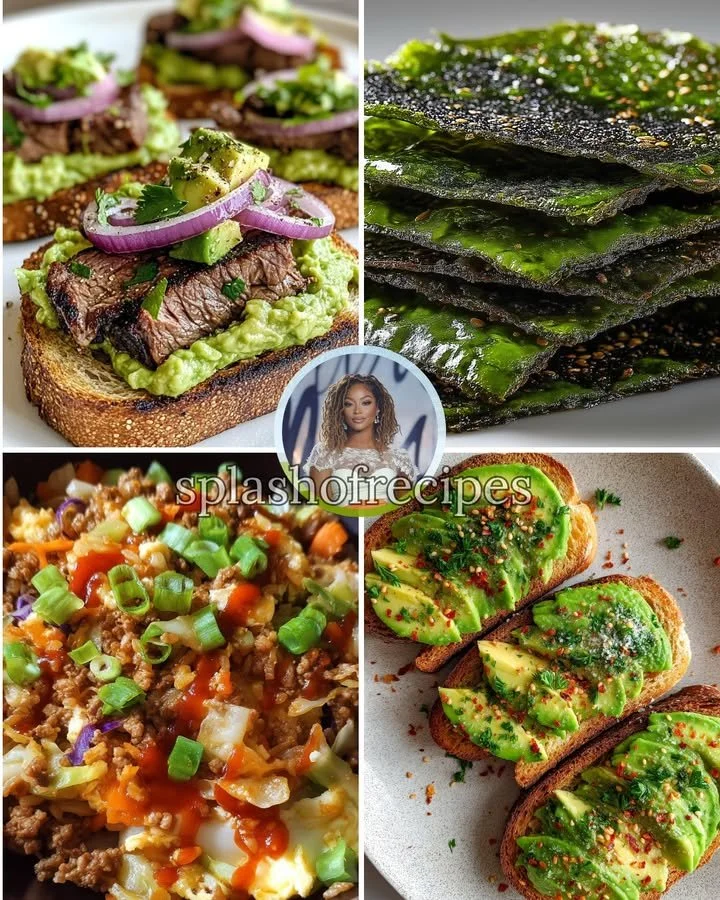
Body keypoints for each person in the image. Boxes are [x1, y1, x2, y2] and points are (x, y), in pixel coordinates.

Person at [306, 374, 418, 504]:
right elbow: (320, 508)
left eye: (366, 403)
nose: (357, 411)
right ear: (340, 410)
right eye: (348, 404)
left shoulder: (398, 457)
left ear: (378, 407)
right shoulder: (325, 453)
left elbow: (405, 508)